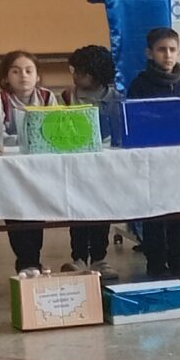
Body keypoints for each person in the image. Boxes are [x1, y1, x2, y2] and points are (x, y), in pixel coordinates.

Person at [127, 27, 180, 278]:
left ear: (179, 52)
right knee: (154, 213)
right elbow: (134, 120)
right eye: (162, 50)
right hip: (152, 162)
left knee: (178, 214)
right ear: (149, 53)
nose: (168, 55)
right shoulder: (140, 84)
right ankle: (156, 263)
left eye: (172, 50)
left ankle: (177, 260)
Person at [0, 51, 60, 274]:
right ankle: (25, 261)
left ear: (38, 76)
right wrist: (25, 138)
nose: (23, 75)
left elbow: (55, 128)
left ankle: (33, 260)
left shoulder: (47, 97)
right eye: (16, 71)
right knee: (16, 213)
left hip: (40, 167)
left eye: (28, 70)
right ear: (5, 77)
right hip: (10, 168)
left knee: (36, 213)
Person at [67, 44, 122, 271]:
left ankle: (99, 258)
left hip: (105, 166)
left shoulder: (117, 99)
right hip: (77, 165)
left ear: (95, 74)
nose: (75, 76)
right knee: (78, 213)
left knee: (102, 210)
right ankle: (78, 258)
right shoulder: (67, 97)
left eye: (80, 71)